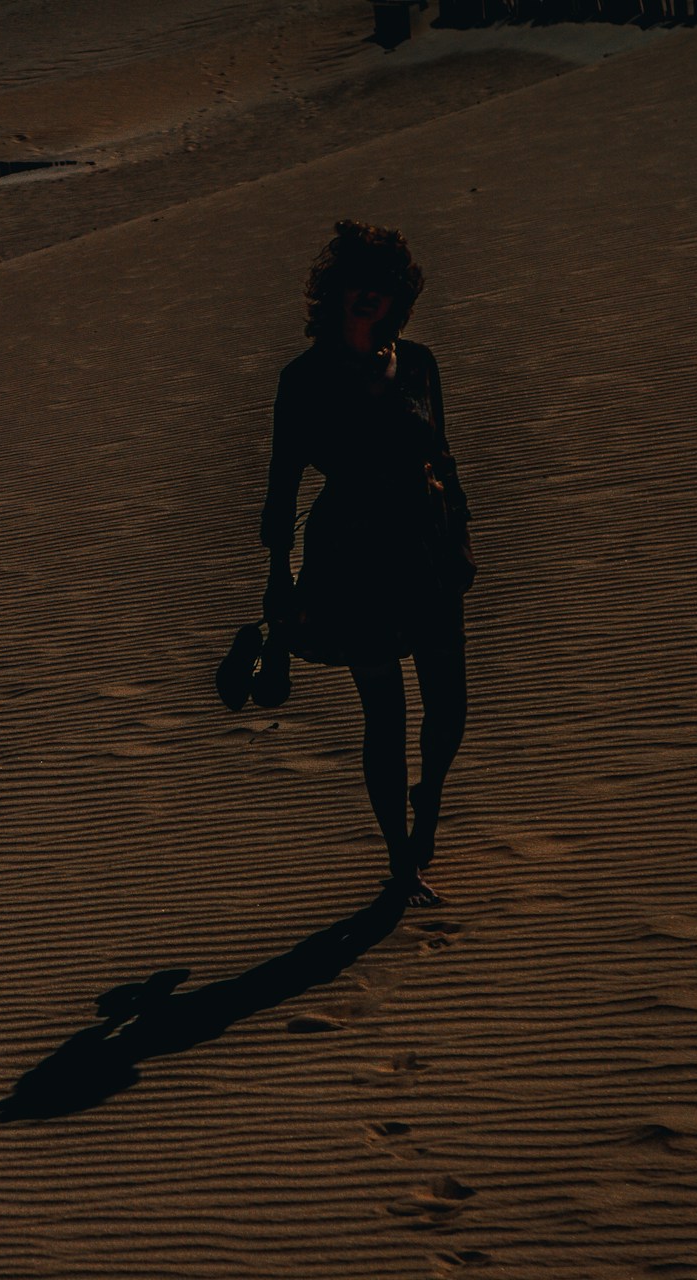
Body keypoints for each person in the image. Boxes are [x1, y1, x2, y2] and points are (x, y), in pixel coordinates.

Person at [258, 221, 476, 907]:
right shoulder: (303, 382)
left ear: (397, 298)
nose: (368, 297)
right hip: (351, 557)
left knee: (450, 707)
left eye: (383, 287)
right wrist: (279, 580)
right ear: (335, 288)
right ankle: (402, 865)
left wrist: (464, 532)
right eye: (358, 282)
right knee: (383, 713)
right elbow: (282, 488)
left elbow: (443, 453)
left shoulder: (417, 363)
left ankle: (429, 799)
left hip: (427, 546)